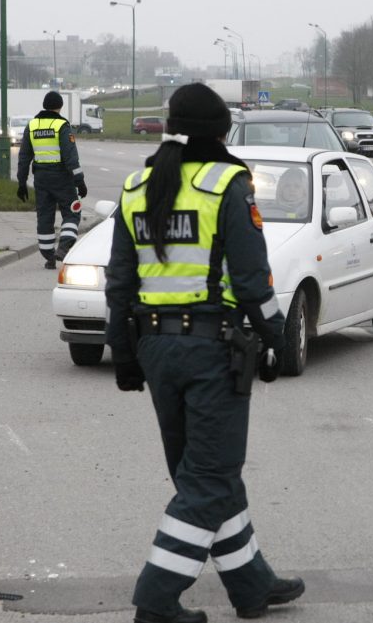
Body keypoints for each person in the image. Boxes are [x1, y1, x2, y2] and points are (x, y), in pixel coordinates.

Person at [105, 82, 304, 623]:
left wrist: (123, 354)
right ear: (221, 132)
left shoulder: (137, 184)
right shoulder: (228, 184)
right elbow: (251, 277)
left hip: (155, 348)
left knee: (201, 474)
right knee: (210, 479)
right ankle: (157, 598)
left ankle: (251, 585)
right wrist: (276, 339)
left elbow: (118, 281)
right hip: (211, 349)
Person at [16, 90, 88, 270]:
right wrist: (79, 180)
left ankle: (49, 257)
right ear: (60, 106)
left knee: (44, 217)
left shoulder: (32, 126)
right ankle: (63, 247)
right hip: (62, 178)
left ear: (44, 105)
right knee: (72, 212)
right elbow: (70, 155)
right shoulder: (62, 126)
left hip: (41, 179)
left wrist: (21, 182)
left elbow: (24, 157)